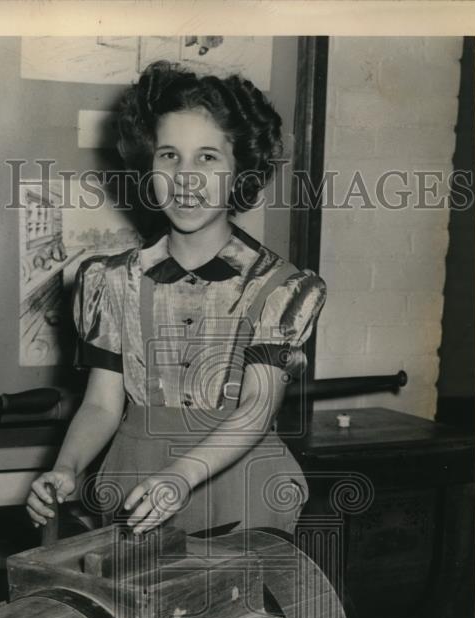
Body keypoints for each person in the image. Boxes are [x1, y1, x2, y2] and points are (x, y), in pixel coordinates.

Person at [27, 61, 326, 543]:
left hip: (242, 490)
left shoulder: (279, 287)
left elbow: (256, 405)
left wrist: (182, 475)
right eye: (169, 156)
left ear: (240, 171)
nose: (185, 178)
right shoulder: (111, 281)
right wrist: (66, 468)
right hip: (135, 484)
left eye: (207, 158)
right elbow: (103, 405)